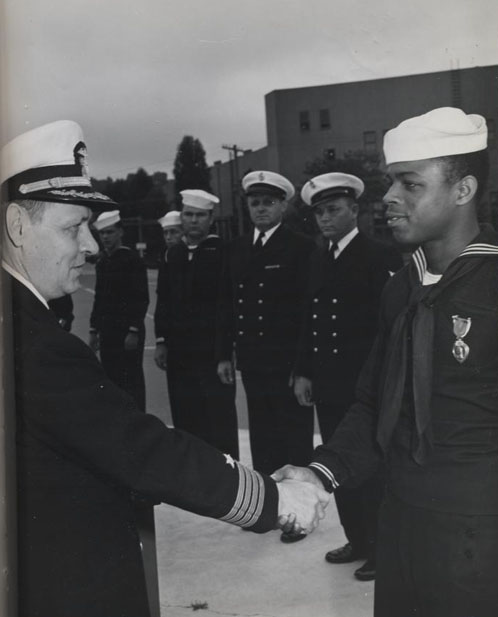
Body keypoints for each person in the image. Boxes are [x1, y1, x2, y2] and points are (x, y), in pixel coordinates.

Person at [1, 120, 330, 617]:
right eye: (73, 227)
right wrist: (271, 500)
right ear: (17, 226)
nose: (90, 246)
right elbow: (141, 448)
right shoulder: (36, 343)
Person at [274, 107, 498, 616]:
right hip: (400, 525)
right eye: (391, 182)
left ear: (462, 191)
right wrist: (319, 473)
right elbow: (376, 403)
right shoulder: (402, 288)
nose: (390, 199)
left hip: (481, 536)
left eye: (410, 185)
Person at [294, 172, 403, 580]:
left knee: (371, 465)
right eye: (319, 211)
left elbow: (389, 326)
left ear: (354, 210)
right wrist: (304, 371)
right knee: (337, 459)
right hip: (328, 382)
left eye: (334, 209)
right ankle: (356, 537)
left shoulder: (380, 255)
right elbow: (311, 317)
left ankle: (379, 546)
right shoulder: (319, 256)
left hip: (367, 385)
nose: (325, 218)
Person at [217, 171, 315, 541]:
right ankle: (269, 509)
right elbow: (226, 306)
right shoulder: (237, 249)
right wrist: (224, 354)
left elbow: (310, 312)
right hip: (254, 363)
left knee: (295, 442)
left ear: (283, 206)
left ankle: (300, 515)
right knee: (262, 439)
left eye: (268, 202)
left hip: (289, 366)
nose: (260, 208)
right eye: (254, 202)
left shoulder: (302, 247)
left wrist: (304, 367)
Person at [154, 190, 238, 457]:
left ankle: (229, 488)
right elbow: (163, 301)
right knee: (186, 420)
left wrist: (224, 355)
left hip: (211, 354)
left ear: (211, 219)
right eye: (188, 215)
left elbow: (228, 306)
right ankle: (192, 486)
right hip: (179, 354)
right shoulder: (173, 255)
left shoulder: (224, 252)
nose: (193, 221)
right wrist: (161, 341)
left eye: (200, 215)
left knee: (219, 422)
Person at [89, 209, 149, 410]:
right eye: (102, 233)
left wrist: (133, 330)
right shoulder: (103, 262)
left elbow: (141, 298)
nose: (105, 237)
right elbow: (99, 299)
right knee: (112, 381)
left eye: (110, 232)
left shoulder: (132, 260)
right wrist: (93, 330)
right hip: (108, 332)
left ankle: (139, 427)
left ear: (120, 232)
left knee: (131, 382)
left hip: (128, 333)